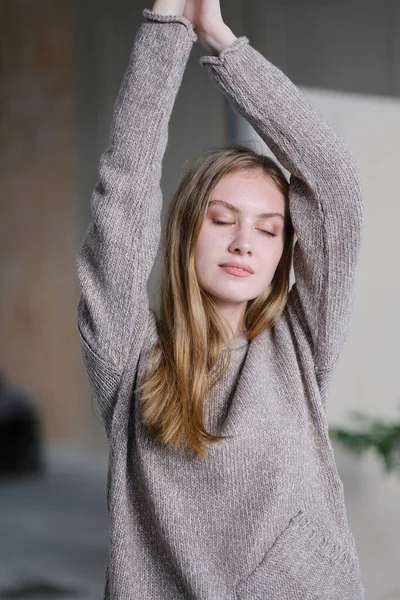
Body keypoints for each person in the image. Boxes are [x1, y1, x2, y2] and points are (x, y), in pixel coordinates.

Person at [76, 1, 366, 598]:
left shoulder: (298, 346)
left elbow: (335, 184)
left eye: (268, 229)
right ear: (187, 232)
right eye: (222, 219)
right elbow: (125, 187)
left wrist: (220, 39)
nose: (243, 243)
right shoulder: (129, 359)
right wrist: (167, 28)